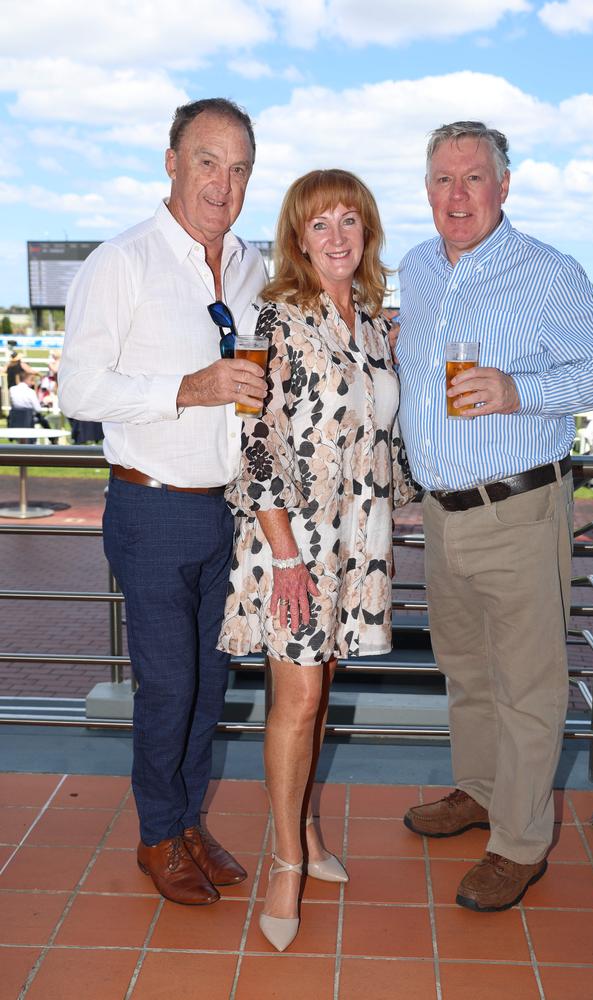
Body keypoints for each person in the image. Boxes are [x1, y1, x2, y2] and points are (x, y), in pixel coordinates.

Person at [397, 121, 593, 912]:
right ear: (426, 189)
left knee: (529, 686)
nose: (456, 194)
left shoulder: (546, 272)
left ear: (504, 186)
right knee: (464, 670)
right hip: (442, 511)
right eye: (442, 179)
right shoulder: (418, 267)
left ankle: (522, 842)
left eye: (473, 178)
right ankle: (480, 791)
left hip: (519, 507)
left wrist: (518, 389)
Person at [58, 98, 268, 907]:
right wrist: (189, 387)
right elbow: (80, 387)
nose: (224, 181)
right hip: (151, 509)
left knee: (211, 687)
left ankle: (186, 821)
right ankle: (156, 837)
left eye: (240, 166)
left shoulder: (250, 265)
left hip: (230, 513)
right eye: (208, 160)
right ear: (171, 161)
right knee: (170, 687)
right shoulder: (124, 261)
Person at [219, 168, 415, 949]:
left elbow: (380, 432)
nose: (336, 236)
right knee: (296, 700)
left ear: (366, 232)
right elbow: (254, 434)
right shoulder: (272, 314)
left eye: (349, 221)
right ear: (297, 238)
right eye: (319, 224)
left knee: (321, 689)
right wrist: (288, 555)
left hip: (357, 541)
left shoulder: (370, 319)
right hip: (290, 539)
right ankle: (287, 864)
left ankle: (306, 830)